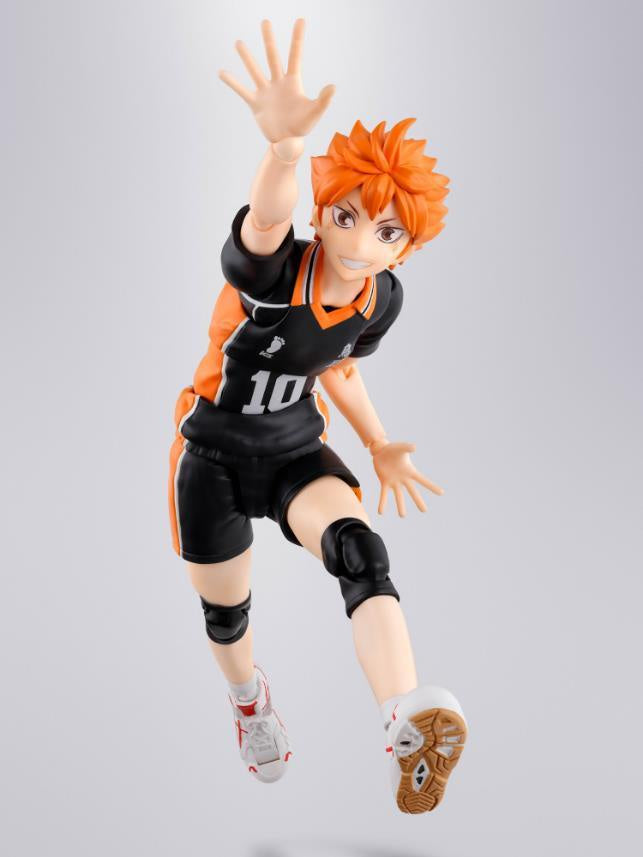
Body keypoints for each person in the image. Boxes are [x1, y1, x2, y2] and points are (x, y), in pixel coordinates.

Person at [168, 18, 467, 814]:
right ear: (324, 210)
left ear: (405, 248)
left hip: (293, 448)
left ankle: (404, 719)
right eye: (347, 216)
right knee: (225, 614)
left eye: (386, 230)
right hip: (213, 454)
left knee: (359, 551)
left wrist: (377, 442)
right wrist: (285, 151)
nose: (361, 241)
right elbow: (263, 221)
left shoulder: (381, 297)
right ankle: (249, 702)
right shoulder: (274, 272)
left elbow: (335, 364)